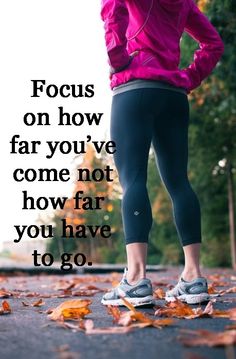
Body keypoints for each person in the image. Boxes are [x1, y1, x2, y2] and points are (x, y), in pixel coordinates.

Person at [100, 0, 224, 306]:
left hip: (134, 88)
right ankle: (194, 279)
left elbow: (110, 8)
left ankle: (136, 280)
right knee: (179, 182)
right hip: (172, 94)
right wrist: (189, 78)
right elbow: (213, 43)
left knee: (133, 180)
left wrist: (117, 58)